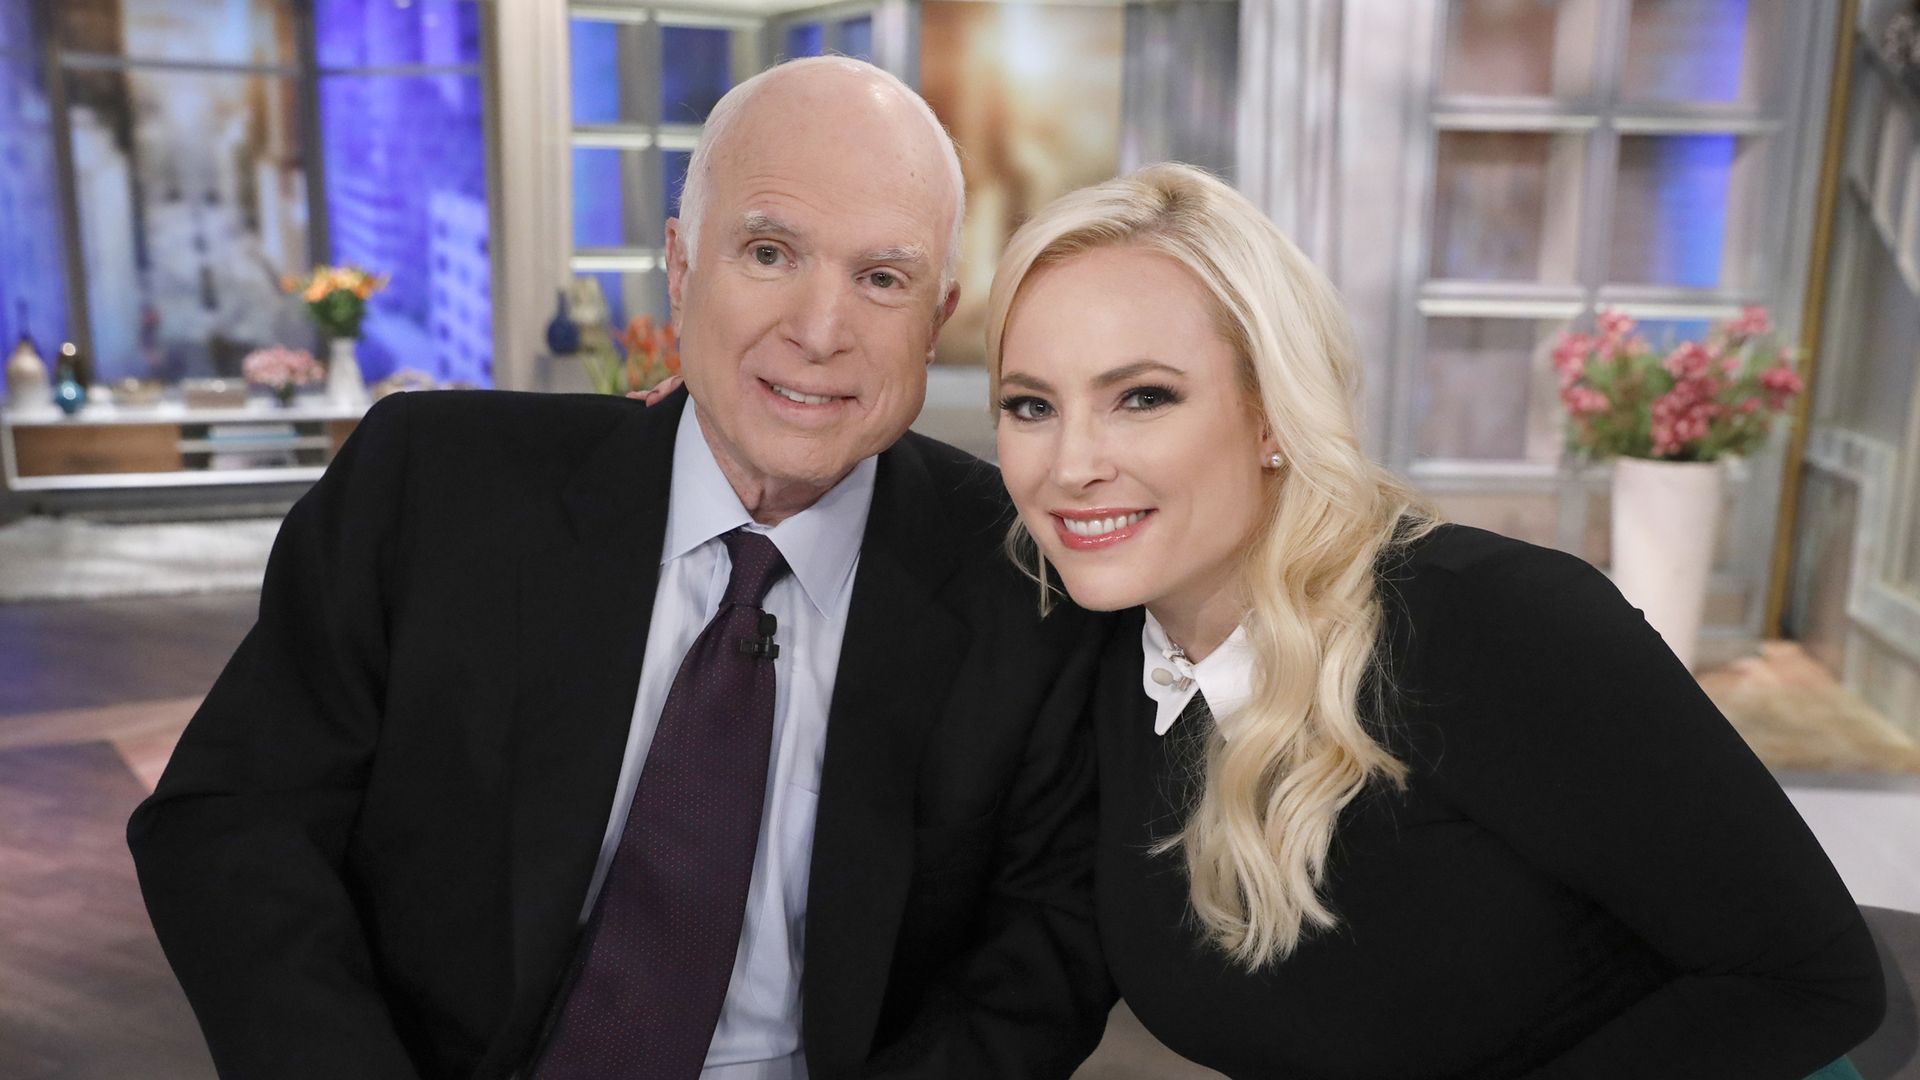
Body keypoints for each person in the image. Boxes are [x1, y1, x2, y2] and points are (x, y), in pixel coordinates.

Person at [128, 58, 1111, 1080]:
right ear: (682, 269)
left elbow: (1048, 942)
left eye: (881, 278)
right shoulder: (431, 486)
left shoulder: (1027, 574)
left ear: (938, 310)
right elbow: (233, 820)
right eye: (769, 252)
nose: (821, 332)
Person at [985, 162, 1886, 1079]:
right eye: (1031, 407)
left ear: (1272, 417)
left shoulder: (1497, 624)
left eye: (1142, 398)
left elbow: (1807, 981)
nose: (1071, 465)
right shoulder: (1100, 658)